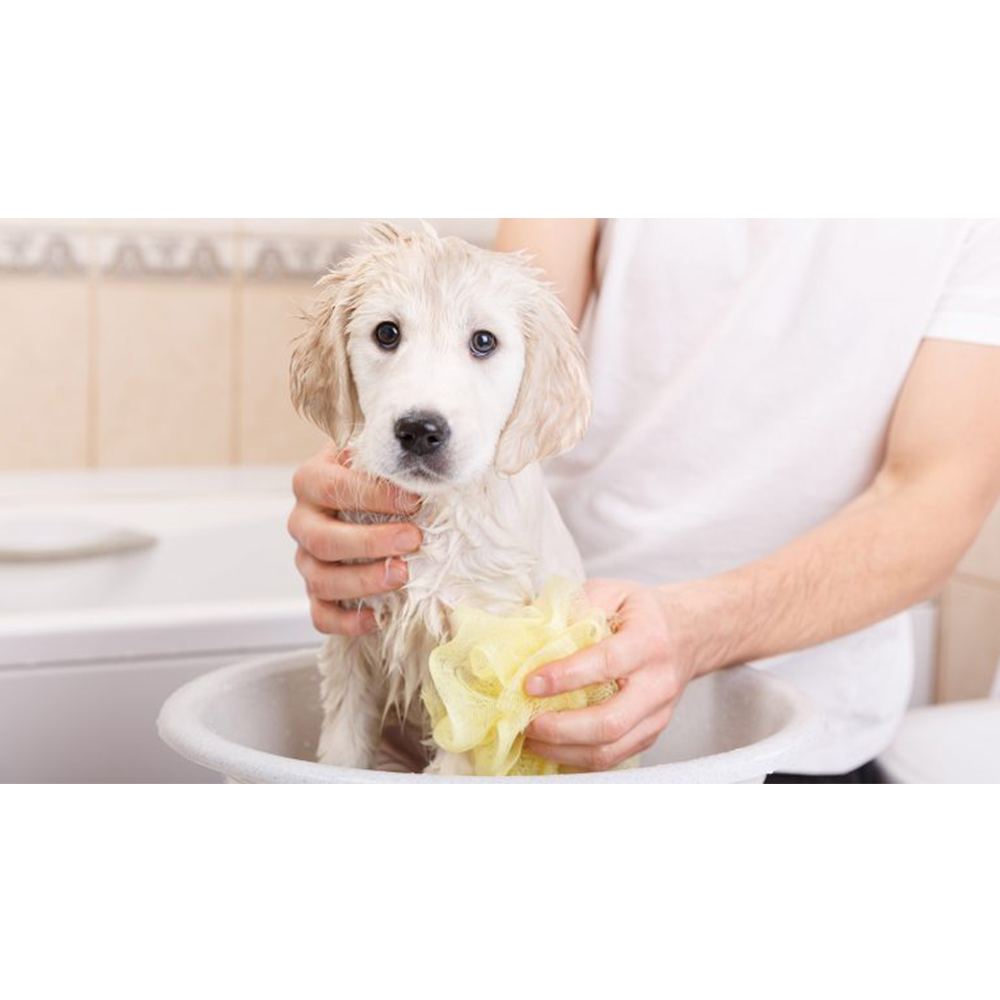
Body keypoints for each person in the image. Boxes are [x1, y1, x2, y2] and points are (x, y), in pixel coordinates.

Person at [288, 219, 1000, 781]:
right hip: (548, 628)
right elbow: (515, 317)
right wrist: (366, 478)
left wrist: (698, 629)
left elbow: (935, 496)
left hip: (805, 719)